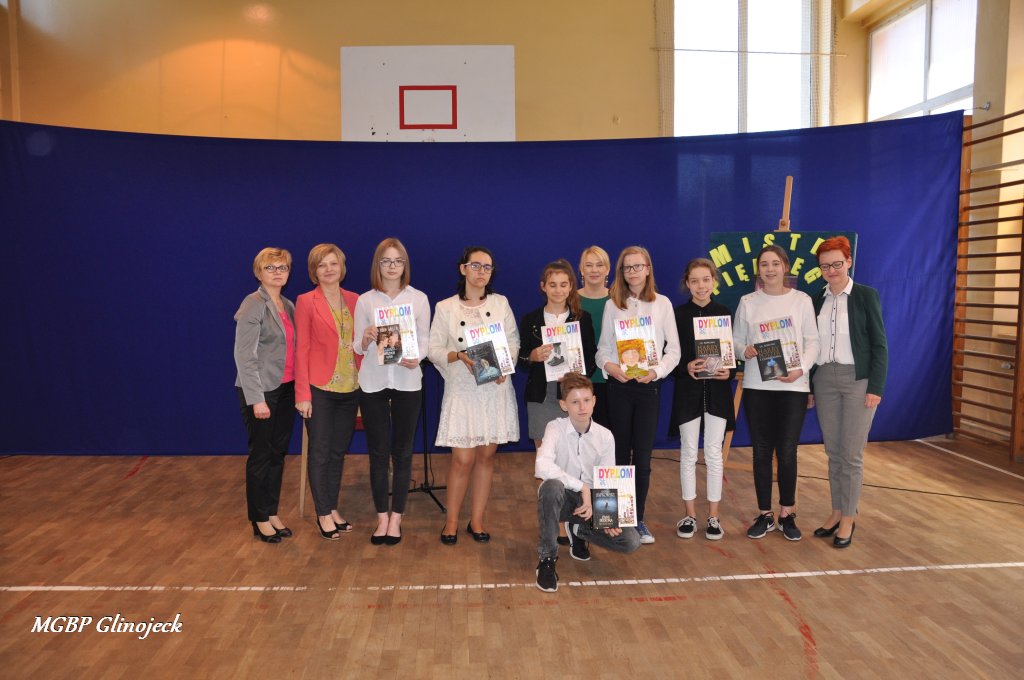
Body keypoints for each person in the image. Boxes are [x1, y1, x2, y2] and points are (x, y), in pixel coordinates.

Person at [427, 246, 520, 545]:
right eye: (476, 265)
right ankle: (451, 521)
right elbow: (433, 349)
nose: (481, 272)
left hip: (494, 388)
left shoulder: (501, 303)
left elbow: (513, 341)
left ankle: (476, 520)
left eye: (487, 267)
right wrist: (459, 356)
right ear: (463, 269)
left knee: (486, 456)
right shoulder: (445, 307)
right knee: (462, 459)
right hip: (463, 389)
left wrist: (504, 366)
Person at [595, 246, 681, 544]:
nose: (632, 272)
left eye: (637, 266)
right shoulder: (612, 305)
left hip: (648, 387)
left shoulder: (663, 304)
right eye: (627, 267)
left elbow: (674, 350)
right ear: (621, 272)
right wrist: (610, 367)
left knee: (642, 458)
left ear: (648, 269)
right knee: (617, 455)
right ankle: (613, 520)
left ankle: (638, 520)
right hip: (619, 387)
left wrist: (656, 372)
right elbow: (603, 349)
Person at [733, 244, 819, 541]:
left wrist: (800, 370)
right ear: (758, 269)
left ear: (785, 267)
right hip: (757, 386)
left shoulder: (801, 300)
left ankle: (786, 513)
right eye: (764, 264)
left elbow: (813, 342)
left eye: (775, 264)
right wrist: (744, 350)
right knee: (760, 451)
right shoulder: (748, 302)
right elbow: (735, 341)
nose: (769, 269)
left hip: (793, 386)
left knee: (787, 450)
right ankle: (765, 514)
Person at [809, 236, 888, 549]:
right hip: (824, 379)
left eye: (837, 264)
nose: (831, 270)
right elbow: (810, 344)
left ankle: (848, 519)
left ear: (849, 262)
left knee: (852, 454)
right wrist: (810, 385)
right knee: (833, 451)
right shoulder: (817, 299)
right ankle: (836, 511)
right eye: (825, 266)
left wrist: (876, 387)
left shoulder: (866, 296)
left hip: (858, 380)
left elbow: (879, 344)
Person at [353, 238, 430, 546]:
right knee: (377, 452)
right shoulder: (365, 301)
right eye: (386, 261)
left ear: (405, 265)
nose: (392, 266)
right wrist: (366, 338)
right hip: (372, 382)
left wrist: (417, 357)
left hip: (407, 381)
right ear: (378, 265)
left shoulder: (419, 299)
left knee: (402, 451)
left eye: (398, 261)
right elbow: (357, 345)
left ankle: (397, 516)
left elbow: (424, 340)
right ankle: (381, 517)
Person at [534, 373, 640, 592]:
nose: (582, 407)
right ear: (563, 405)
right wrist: (581, 487)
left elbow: (608, 481)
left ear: (594, 401)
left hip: (592, 502)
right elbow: (541, 466)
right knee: (551, 486)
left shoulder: (605, 436)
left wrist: (609, 516)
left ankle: (579, 530)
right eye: (575, 402)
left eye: (586, 400)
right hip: (563, 498)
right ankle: (547, 560)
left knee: (630, 541)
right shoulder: (554, 427)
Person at [294, 243, 361, 541]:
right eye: (322, 265)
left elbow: (362, 343)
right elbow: (302, 349)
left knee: (337, 452)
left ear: (342, 267)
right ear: (314, 271)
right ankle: (322, 512)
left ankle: (332, 508)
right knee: (320, 452)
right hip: (319, 387)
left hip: (351, 387)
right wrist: (302, 394)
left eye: (333, 263)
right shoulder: (306, 301)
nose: (329, 269)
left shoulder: (356, 299)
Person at [669, 258, 736, 541]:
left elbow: (730, 357)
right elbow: (671, 356)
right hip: (688, 393)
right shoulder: (678, 315)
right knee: (688, 451)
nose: (701, 286)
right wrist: (685, 366)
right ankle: (689, 515)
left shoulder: (723, 313)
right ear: (687, 283)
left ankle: (713, 517)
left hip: (718, 394)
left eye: (706, 279)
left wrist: (729, 371)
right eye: (694, 281)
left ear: (714, 282)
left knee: (713, 453)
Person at [234, 247, 297, 544]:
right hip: (261, 391)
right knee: (261, 456)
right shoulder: (252, 304)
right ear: (258, 272)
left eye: (282, 267)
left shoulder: (288, 305)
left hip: (285, 389)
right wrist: (256, 398)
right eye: (270, 267)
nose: (277, 272)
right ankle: (259, 518)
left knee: (277, 455)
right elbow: (244, 356)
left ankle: (271, 512)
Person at [518, 259, 597, 447]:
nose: (558, 290)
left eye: (563, 285)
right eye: (552, 285)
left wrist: (577, 374)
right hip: (541, 394)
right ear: (543, 287)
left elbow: (591, 358)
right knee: (544, 450)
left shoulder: (582, 319)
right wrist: (532, 356)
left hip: (573, 394)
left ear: (570, 287)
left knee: (575, 449)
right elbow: (521, 359)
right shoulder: (530, 320)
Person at [578, 246, 612, 426]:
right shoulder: (569, 299)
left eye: (599, 265)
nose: (594, 270)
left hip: (612, 377)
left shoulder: (618, 300)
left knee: (610, 434)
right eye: (589, 265)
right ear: (581, 269)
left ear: (607, 269)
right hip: (580, 380)